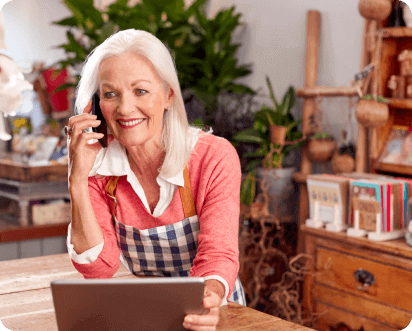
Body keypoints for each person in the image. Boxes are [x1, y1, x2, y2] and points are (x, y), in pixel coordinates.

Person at [65, 29, 246, 331]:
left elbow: (218, 256)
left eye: (140, 91)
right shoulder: (98, 170)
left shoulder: (212, 158)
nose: (124, 108)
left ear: (168, 96)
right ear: (96, 107)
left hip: (213, 315)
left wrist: (208, 301)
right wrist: (77, 179)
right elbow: (99, 269)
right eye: (110, 94)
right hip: (149, 318)